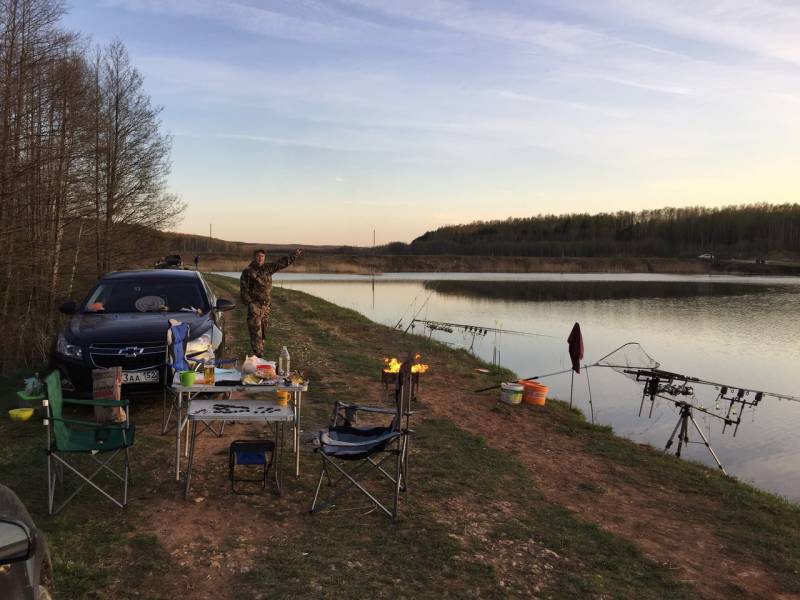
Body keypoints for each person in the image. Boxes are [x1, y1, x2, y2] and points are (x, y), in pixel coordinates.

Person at [240, 248, 302, 356]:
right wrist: (249, 303)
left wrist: (294, 255)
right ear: (254, 257)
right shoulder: (248, 271)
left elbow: (282, 263)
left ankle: (260, 351)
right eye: (258, 256)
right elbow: (243, 289)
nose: (260, 258)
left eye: (262, 256)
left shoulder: (268, 268)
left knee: (263, 329)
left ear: (264, 258)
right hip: (255, 305)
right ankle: (258, 354)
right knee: (255, 329)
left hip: (266, 306)